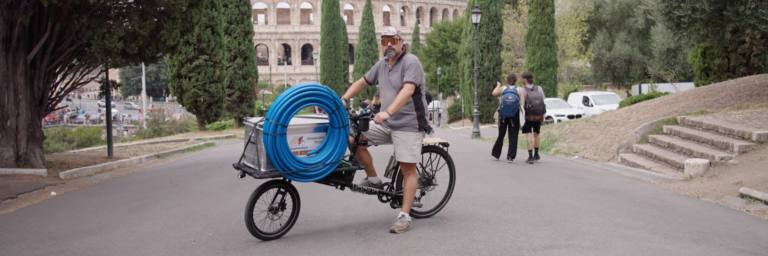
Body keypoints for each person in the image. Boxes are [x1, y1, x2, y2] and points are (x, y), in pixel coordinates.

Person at [340, 26, 430, 234]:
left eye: (392, 39)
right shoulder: (382, 64)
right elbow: (362, 82)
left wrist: (388, 112)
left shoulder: (411, 62)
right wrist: (342, 99)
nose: (388, 44)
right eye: (384, 41)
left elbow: (408, 90)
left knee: (408, 170)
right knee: (355, 138)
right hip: (387, 123)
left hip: (409, 124)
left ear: (401, 42)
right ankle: (374, 181)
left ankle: (404, 216)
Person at [491, 74, 524, 163]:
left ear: (507, 80)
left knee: (501, 134)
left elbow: (493, 93)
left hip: (503, 115)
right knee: (513, 135)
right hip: (515, 115)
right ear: (516, 80)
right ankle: (510, 157)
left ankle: (496, 155)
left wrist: (498, 85)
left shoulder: (503, 88)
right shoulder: (520, 89)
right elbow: (522, 104)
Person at [520, 71, 545, 164]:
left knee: (529, 135)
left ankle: (530, 157)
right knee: (536, 134)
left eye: (522, 78)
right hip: (538, 115)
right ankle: (536, 154)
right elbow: (543, 102)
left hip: (528, 116)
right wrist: (542, 116)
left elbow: (522, 104)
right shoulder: (539, 88)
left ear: (525, 79)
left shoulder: (523, 90)